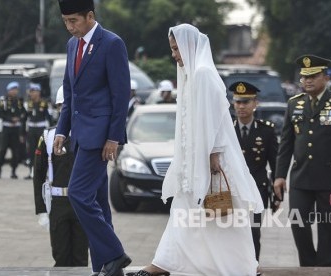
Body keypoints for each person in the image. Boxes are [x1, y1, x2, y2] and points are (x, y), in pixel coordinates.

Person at [130, 24, 264, 276]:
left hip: (210, 160)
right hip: (195, 159)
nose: (174, 55)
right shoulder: (193, 74)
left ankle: (244, 266)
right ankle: (164, 263)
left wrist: (212, 156)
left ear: (189, 45)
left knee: (219, 218)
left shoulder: (203, 73)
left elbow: (215, 119)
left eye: (176, 49)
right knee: (185, 211)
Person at [53, 0, 132, 275]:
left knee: (77, 194)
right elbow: (70, 92)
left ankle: (115, 253)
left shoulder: (112, 43)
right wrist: (62, 130)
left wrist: (114, 137)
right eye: (65, 21)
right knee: (98, 202)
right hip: (79, 134)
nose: (69, 27)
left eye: (73, 20)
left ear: (90, 16)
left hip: (99, 137)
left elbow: (121, 95)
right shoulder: (71, 45)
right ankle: (107, 267)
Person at [274, 55, 331, 267]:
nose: (308, 80)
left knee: (329, 226)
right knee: (298, 222)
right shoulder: (294, 104)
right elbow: (286, 144)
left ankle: (328, 268)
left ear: (325, 77)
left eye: (313, 76)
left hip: (330, 178)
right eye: (304, 77)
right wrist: (279, 175)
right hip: (301, 177)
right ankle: (309, 265)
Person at [33, 85, 88, 267]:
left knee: (81, 258)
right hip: (58, 202)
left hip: (82, 202)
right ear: (57, 108)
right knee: (61, 257)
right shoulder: (48, 136)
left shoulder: (88, 134)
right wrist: (41, 209)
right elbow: (39, 175)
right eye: (63, 106)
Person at [230, 81, 279, 262]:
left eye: (246, 102)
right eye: (238, 102)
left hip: (256, 190)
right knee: (231, 232)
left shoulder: (266, 131)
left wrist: (277, 195)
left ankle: (252, 266)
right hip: (232, 190)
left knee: (252, 231)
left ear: (255, 104)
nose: (241, 106)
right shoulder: (226, 129)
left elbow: (275, 163)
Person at [0, 81, 25, 179]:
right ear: (9, 90)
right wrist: (10, 119)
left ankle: (13, 171)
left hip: (16, 128)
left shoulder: (19, 101)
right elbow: (0, 114)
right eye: (13, 90)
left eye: (16, 90)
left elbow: (23, 113)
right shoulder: (3, 100)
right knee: (2, 150)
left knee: (15, 151)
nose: (15, 92)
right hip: (6, 128)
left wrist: (19, 118)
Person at [24, 83, 52, 180]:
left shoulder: (44, 103)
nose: (31, 94)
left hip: (41, 129)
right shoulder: (29, 104)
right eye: (31, 92)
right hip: (32, 129)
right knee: (31, 151)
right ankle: (32, 171)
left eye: (33, 92)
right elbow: (25, 118)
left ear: (38, 92)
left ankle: (45, 172)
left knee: (42, 150)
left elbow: (49, 118)